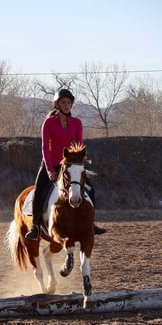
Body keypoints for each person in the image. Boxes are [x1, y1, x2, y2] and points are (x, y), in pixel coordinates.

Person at [24, 87, 107, 240]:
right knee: (38, 192)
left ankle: (91, 224)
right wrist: (49, 169)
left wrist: (79, 165)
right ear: (57, 104)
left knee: (91, 190)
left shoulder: (77, 123)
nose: (66, 105)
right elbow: (44, 148)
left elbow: (79, 146)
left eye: (68, 102)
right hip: (50, 164)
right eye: (63, 102)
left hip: (69, 166)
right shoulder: (48, 123)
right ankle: (35, 226)